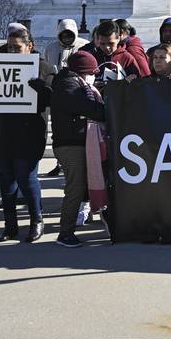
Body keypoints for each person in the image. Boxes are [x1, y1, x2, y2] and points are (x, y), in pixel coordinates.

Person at [0, 26, 53, 243]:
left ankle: (36, 221)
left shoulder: (44, 68)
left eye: (17, 47)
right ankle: (10, 225)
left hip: (27, 133)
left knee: (26, 178)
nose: (12, 51)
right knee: (6, 181)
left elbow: (52, 99)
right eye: (9, 47)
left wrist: (43, 88)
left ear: (30, 46)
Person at [48, 51, 106, 248]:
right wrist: (107, 111)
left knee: (78, 187)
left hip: (75, 141)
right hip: (70, 144)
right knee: (76, 188)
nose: (94, 75)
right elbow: (88, 108)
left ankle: (68, 230)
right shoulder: (69, 86)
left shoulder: (73, 83)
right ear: (83, 71)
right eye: (91, 71)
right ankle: (65, 233)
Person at [84, 20, 150, 79]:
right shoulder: (91, 57)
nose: (107, 47)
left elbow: (138, 82)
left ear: (118, 39)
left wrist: (131, 80)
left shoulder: (127, 58)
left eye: (111, 43)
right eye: (102, 44)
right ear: (98, 40)